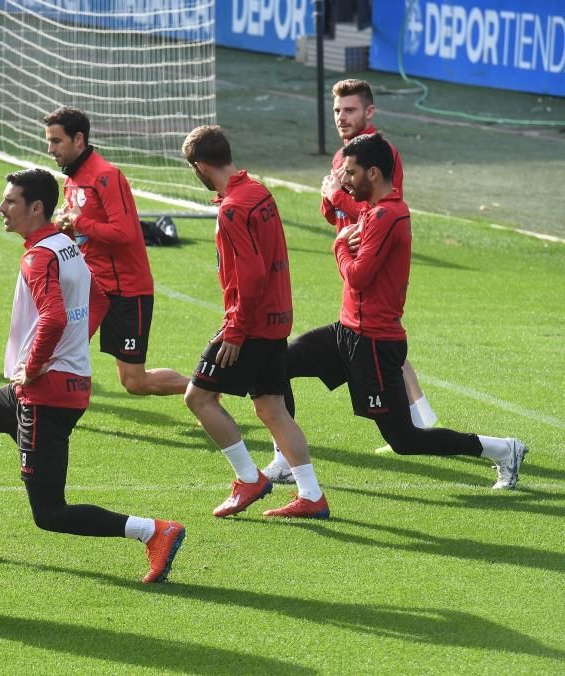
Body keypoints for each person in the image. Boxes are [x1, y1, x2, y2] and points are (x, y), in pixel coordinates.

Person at [0, 169, 185, 583]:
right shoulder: (64, 244)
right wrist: (69, 350)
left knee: (49, 514)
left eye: (10, 201)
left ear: (36, 208)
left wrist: (34, 365)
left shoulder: (39, 255)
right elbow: (98, 297)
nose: (1, 208)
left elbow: (54, 315)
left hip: (45, 395)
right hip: (52, 386)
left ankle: (155, 531)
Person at [284, 132, 527, 490]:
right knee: (277, 365)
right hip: (346, 332)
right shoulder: (374, 209)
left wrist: (339, 245)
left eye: (350, 173)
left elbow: (359, 277)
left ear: (374, 174)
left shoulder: (388, 216)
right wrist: (336, 196)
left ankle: (503, 450)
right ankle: (286, 462)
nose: (345, 180)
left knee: (404, 440)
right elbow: (356, 214)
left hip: (375, 344)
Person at [262, 78, 435, 471]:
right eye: (338, 110)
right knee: (382, 355)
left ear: (369, 112)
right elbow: (341, 216)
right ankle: (419, 420)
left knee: (383, 348)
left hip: (370, 274)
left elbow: (378, 214)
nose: (342, 118)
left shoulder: (379, 155)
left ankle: (420, 424)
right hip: (356, 281)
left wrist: (337, 200)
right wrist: (331, 203)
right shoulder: (343, 156)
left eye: (350, 110)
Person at [180, 126, 330, 519]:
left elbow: (251, 275)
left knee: (198, 398)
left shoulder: (233, 210)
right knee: (272, 409)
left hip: (250, 325)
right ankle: (311, 495)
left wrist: (236, 329)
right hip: (275, 322)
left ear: (199, 166)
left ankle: (249, 478)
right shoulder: (258, 191)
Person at [43, 107, 189, 396]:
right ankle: (46, 409)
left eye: (56, 141)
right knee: (56, 349)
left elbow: (124, 234)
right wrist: (65, 227)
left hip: (125, 290)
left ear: (79, 139)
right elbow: (83, 234)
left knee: (134, 381)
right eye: (49, 141)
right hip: (91, 288)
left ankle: (202, 390)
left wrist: (78, 221)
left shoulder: (107, 176)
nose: (50, 149)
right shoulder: (72, 179)